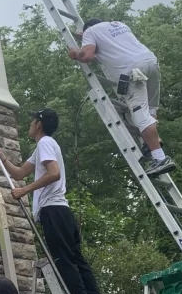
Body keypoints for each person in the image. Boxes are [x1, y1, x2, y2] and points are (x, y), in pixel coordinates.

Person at [0, 108, 117, 294]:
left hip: (53, 211)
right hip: (62, 212)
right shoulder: (44, 147)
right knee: (78, 261)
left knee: (65, 263)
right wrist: (1, 155)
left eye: (32, 121)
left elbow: (53, 173)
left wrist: (25, 191)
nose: (29, 124)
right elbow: (18, 173)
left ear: (38, 124)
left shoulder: (45, 143)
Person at [68, 18, 175, 177]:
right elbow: (105, 41)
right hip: (151, 63)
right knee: (151, 108)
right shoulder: (119, 25)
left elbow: (88, 55)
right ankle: (154, 140)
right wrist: (86, 38)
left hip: (133, 71)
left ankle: (159, 158)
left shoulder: (91, 32)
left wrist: (75, 54)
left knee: (140, 114)